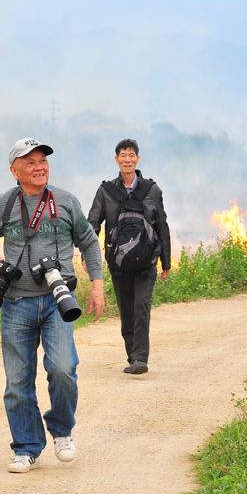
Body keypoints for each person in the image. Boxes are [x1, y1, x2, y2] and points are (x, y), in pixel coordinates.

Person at [0, 137, 105, 473]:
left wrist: (97, 286)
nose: (39, 167)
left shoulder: (65, 201)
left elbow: (89, 242)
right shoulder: (3, 203)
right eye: (30, 162)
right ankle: (26, 447)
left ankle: (62, 430)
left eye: (42, 161)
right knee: (17, 384)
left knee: (63, 369)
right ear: (14, 171)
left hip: (57, 300)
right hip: (15, 302)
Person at [87, 138, 171, 376]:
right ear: (116, 160)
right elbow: (92, 225)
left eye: (131, 155)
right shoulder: (106, 192)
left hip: (147, 262)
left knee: (142, 308)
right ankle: (133, 357)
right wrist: (87, 255)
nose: (127, 159)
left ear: (138, 159)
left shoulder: (152, 190)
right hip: (119, 263)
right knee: (127, 311)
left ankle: (140, 358)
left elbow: (162, 225)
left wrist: (166, 260)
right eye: (123, 155)